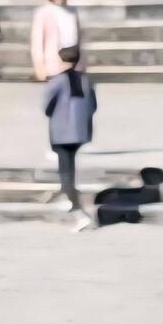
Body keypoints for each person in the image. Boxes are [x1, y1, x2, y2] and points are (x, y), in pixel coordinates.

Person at [42, 45, 97, 231]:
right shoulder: (86, 80)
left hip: (61, 131)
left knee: (65, 171)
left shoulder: (58, 81)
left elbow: (47, 106)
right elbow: (93, 106)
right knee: (69, 166)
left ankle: (78, 210)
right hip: (80, 132)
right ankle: (67, 193)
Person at [31, 0, 83, 80]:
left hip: (73, 57)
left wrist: (82, 61)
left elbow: (80, 36)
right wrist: (39, 65)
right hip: (54, 60)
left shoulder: (73, 11)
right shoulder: (43, 13)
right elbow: (37, 42)